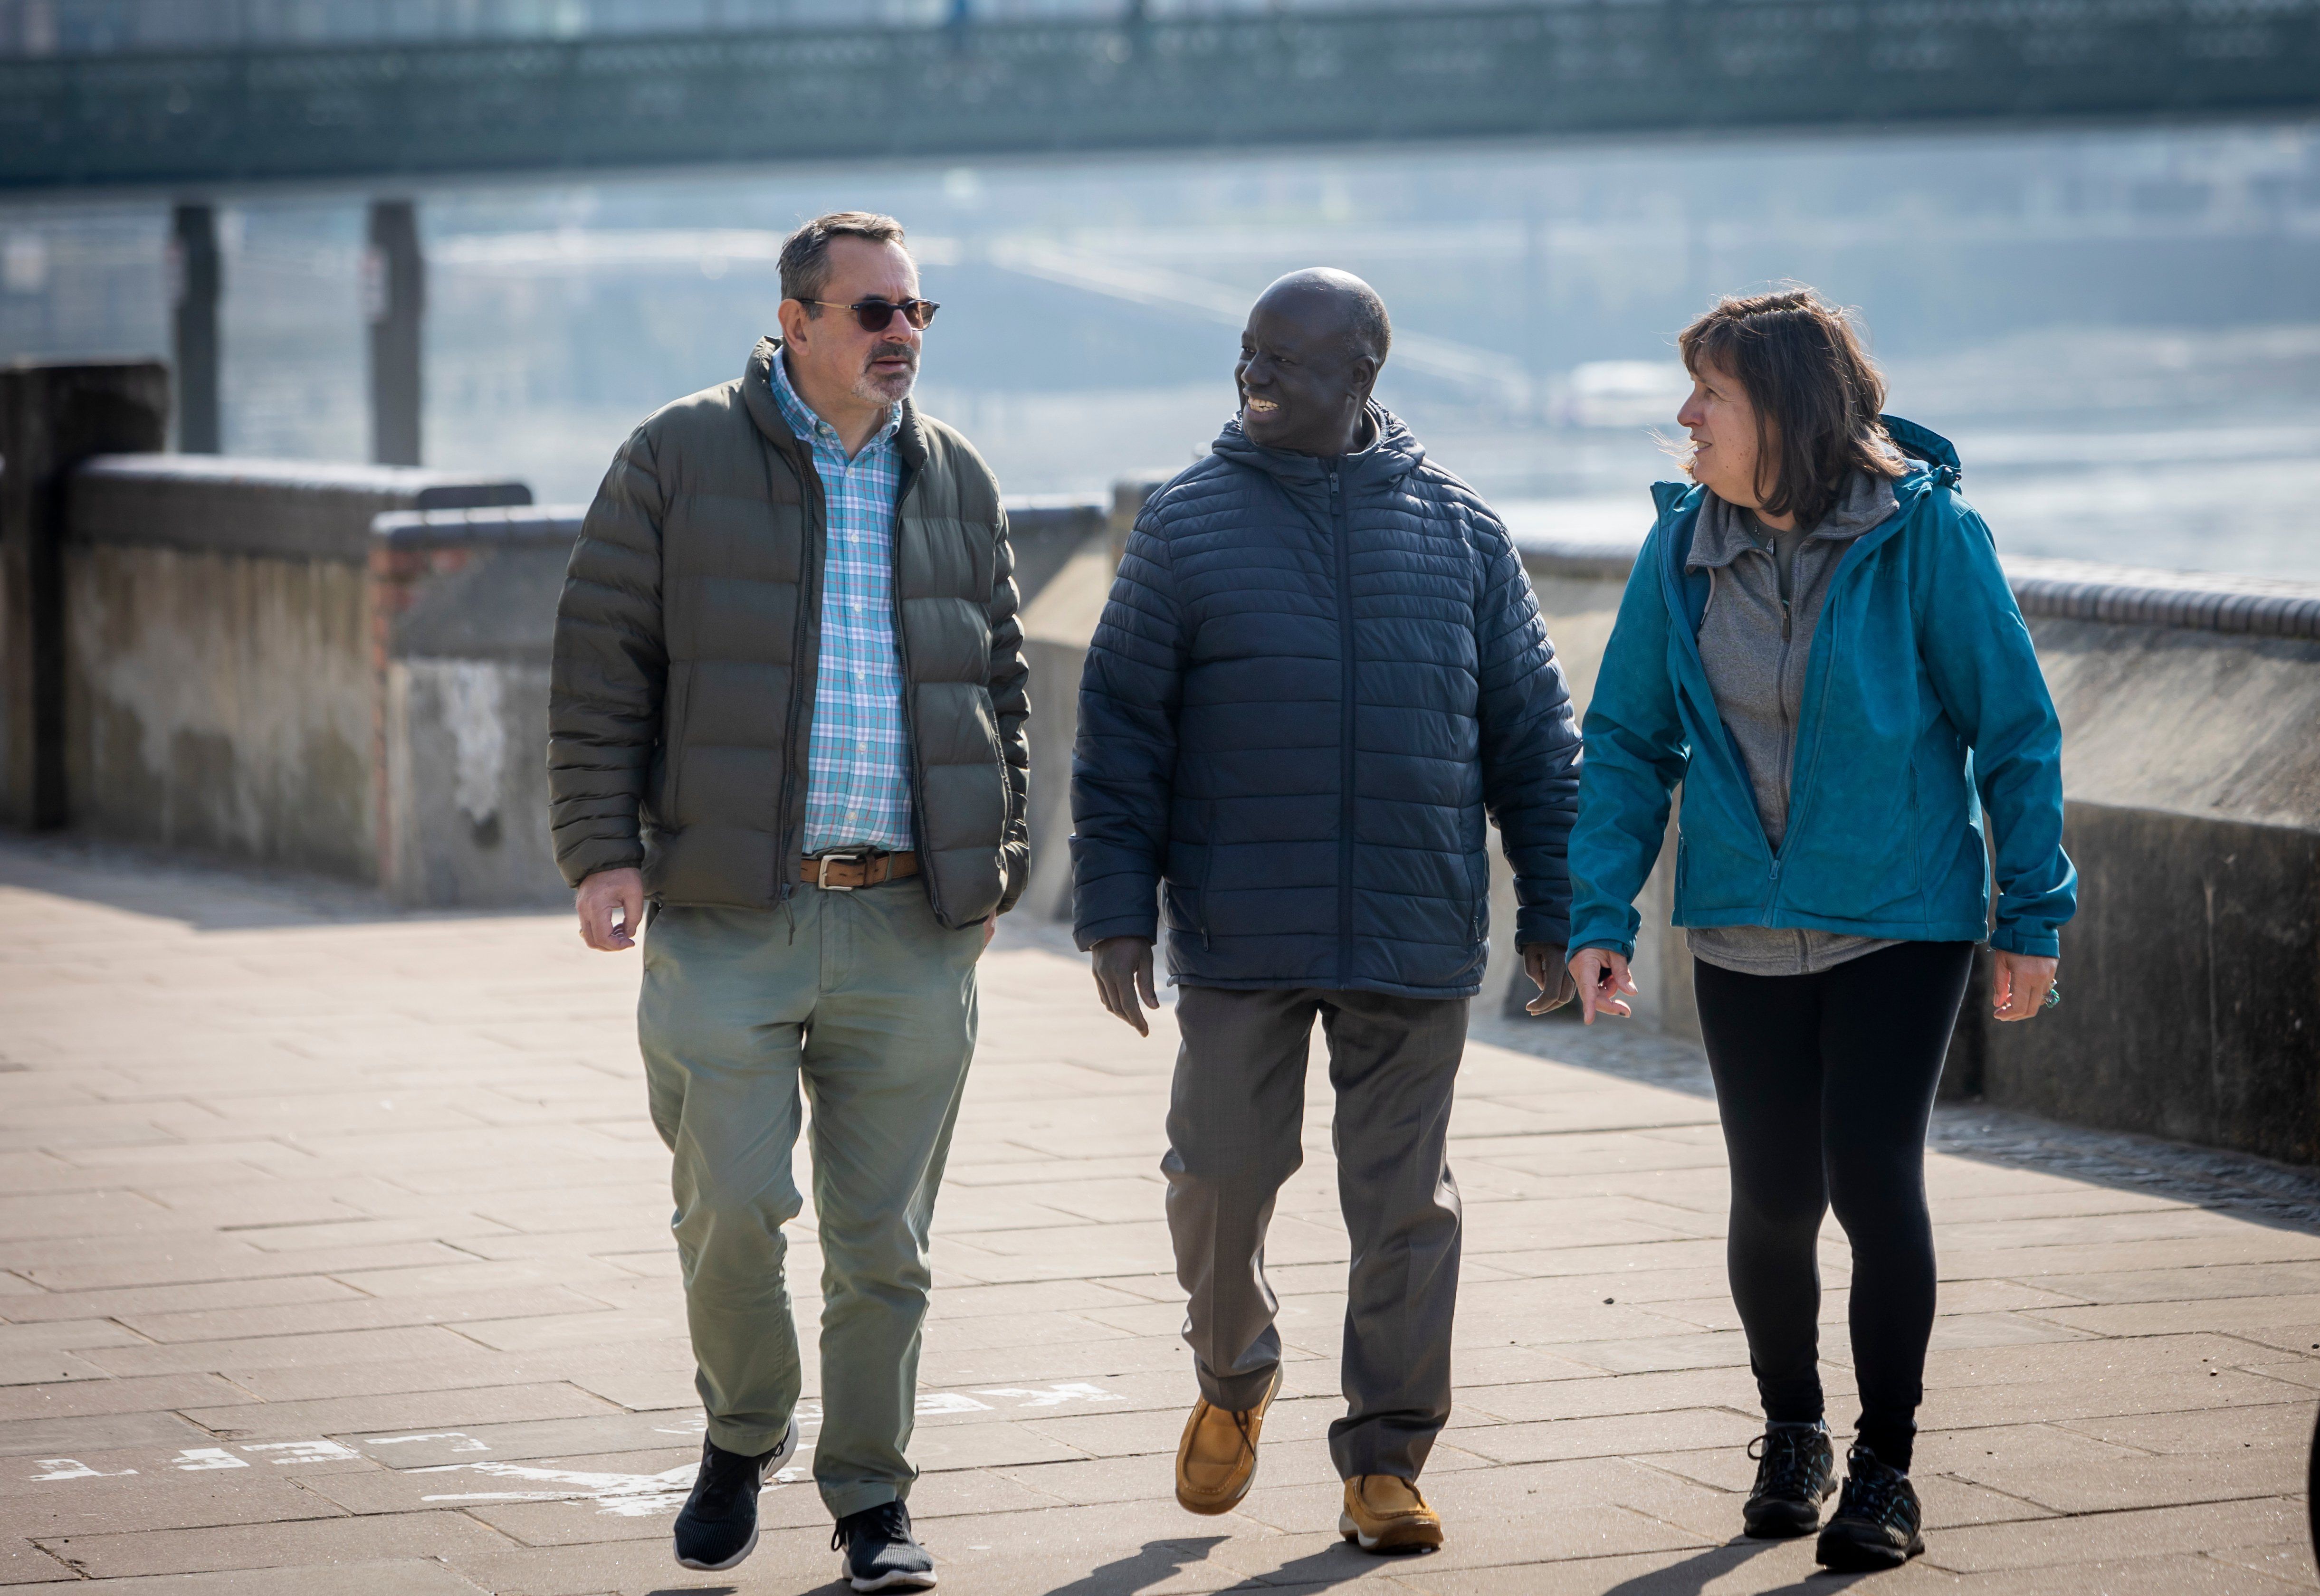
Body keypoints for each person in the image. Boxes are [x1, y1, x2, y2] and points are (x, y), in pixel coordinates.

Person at [547, 210, 1026, 1590]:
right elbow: (599, 672)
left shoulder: (957, 477)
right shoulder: (674, 456)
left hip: (908, 922)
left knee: (888, 1244)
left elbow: (1001, 684)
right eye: (874, 313)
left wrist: (990, 864)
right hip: (728, 912)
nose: (902, 338)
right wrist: (602, 852)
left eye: (919, 314)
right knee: (733, 1210)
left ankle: (874, 1502)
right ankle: (740, 1428)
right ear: (796, 321)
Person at [1071, 268, 1583, 1554]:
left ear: (1361, 378)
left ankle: (1385, 1459)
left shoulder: (1461, 528)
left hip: (1412, 925)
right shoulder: (1185, 525)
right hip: (1242, 927)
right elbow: (1121, 731)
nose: (1254, 380)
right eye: (1246, 355)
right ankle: (1232, 1378)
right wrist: (1114, 910)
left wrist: (1557, 909)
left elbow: (1531, 735)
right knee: (1217, 1179)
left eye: (1284, 363)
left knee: (1406, 1209)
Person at [1564, 288, 2074, 1572]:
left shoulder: (1927, 537)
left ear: (1780, 410)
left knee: (1868, 1177)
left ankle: (1885, 1468)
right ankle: (1791, 1432)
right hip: (1738, 919)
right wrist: (1596, 912)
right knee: (1773, 1194)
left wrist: (2031, 914)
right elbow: (1627, 738)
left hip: (1898, 916)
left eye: (1710, 397)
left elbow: (2012, 729)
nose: (1684, 418)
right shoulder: (1679, 547)